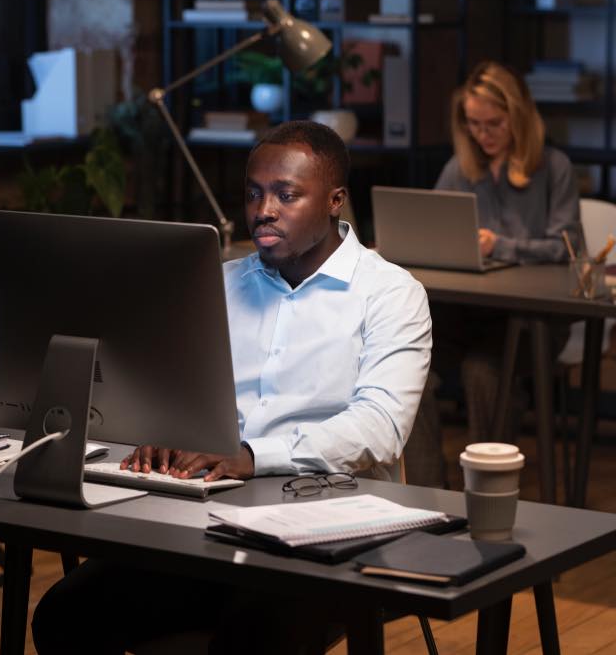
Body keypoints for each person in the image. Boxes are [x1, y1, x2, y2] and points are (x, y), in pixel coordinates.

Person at [31, 120, 432, 655]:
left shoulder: (390, 294)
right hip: (203, 516)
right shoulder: (218, 281)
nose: (263, 209)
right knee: (64, 616)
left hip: (327, 529)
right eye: (253, 192)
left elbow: (379, 428)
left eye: (286, 194)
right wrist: (162, 431)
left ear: (335, 200)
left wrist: (248, 454)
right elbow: (174, 389)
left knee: (251, 637)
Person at [412, 60, 579, 486]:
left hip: (527, 322)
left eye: (493, 124)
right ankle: (430, 495)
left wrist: (498, 245)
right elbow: (430, 229)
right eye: (473, 125)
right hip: (464, 315)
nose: (482, 135)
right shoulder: (460, 168)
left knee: (484, 373)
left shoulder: (553, 168)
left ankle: (487, 490)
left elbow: (567, 248)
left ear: (518, 117)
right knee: (410, 372)